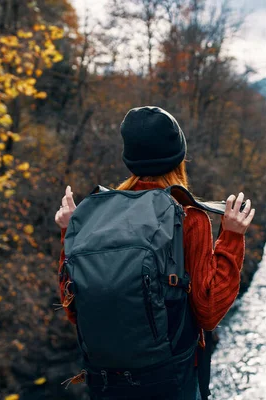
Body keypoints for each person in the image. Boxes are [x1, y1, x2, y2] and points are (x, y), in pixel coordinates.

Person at [54, 106, 255, 399]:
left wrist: (68, 232)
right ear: (179, 157)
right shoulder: (188, 216)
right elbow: (209, 311)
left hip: (106, 382)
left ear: (129, 159)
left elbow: (73, 307)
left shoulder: (93, 214)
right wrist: (232, 238)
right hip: (171, 381)